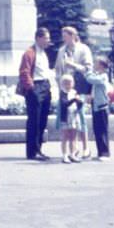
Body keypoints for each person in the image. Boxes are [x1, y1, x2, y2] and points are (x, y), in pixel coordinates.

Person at [54, 26, 92, 158]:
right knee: (67, 119)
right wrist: (60, 85)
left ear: (73, 36)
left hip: (79, 87)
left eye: (65, 36)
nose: (63, 38)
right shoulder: (61, 51)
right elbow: (58, 69)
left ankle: (86, 147)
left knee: (80, 117)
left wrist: (73, 65)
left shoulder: (83, 49)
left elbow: (88, 69)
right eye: (63, 36)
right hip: (65, 89)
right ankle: (72, 149)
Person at [18, 27, 53, 160]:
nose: (48, 41)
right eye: (46, 38)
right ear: (38, 38)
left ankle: (39, 149)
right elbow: (24, 72)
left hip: (45, 85)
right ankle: (32, 151)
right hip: (35, 87)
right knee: (34, 120)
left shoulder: (43, 53)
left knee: (42, 120)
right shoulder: (29, 53)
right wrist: (31, 88)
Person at [85, 55, 112, 159]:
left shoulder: (103, 76)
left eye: (96, 62)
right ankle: (100, 152)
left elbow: (91, 79)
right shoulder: (97, 74)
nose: (94, 64)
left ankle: (105, 153)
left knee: (103, 130)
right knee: (97, 130)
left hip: (102, 106)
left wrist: (88, 71)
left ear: (101, 65)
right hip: (96, 106)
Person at [58, 72, 84, 163]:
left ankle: (72, 154)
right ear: (62, 84)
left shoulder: (74, 92)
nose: (68, 85)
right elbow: (64, 104)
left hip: (74, 116)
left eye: (70, 83)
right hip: (66, 117)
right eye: (66, 83)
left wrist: (80, 102)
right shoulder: (62, 93)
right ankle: (64, 155)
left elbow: (79, 105)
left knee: (73, 137)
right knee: (65, 136)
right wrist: (74, 99)